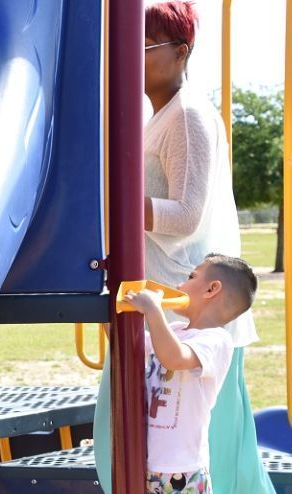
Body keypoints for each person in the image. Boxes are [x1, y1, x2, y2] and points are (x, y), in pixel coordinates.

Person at [94, 2, 275, 493]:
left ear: (181, 52)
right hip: (163, 306)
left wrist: (116, 204)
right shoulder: (161, 117)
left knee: (214, 456)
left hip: (188, 311)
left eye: (144, 47)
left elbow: (186, 213)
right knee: (129, 442)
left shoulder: (188, 116)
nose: (134, 58)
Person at [125, 254, 257, 493]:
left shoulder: (216, 340)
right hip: (145, 462)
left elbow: (174, 358)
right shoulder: (175, 331)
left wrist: (154, 311)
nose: (179, 285)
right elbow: (128, 346)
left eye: (191, 277)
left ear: (211, 289)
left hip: (181, 470)